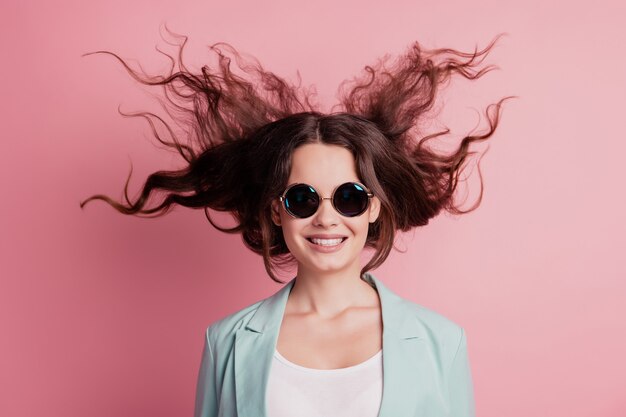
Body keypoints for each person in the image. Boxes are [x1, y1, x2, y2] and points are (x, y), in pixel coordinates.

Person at [81, 28, 514, 417]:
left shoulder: (441, 341)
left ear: (375, 208)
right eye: (303, 199)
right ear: (276, 210)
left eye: (349, 197)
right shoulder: (227, 342)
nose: (326, 218)